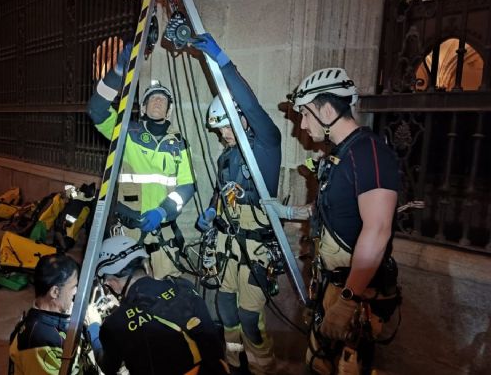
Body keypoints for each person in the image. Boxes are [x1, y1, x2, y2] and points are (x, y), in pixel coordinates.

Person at [191, 33, 309, 375]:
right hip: (228, 244)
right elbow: (219, 190)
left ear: (240, 118)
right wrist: (212, 211)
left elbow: (251, 103)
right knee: (225, 308)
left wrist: (223, 61)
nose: (222, 135)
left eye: (225, 126)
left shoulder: (266, 147)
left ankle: (261, 367)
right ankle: (233, 363)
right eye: (218, 130)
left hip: (255, 248)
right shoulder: (227, 158)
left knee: (248, 316)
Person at [289, 67, 401, 374]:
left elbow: (377, 230)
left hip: (353, 293)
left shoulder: (368, 153)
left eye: (306, 114)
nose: (302, 124)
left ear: (326, 110)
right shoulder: (340, 154)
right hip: (331, 286)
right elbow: (336, 212)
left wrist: (348, 301)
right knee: (318, 365)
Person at [87, 42, 195, 279]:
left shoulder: (178, 143)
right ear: (143, 108)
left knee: (167, 289)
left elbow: (187, 186)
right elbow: (96, 109)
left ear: (169, 111)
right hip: (128, 227)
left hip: (162, 229)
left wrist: (162, 211)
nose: (158, 101)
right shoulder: (127, 133)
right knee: (123, 287)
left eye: (163, 100)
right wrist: (118, 71)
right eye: (152, 99)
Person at [86, 235, 229, 375]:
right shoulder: (184, 286)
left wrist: (94, 328)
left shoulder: (114, 324)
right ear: (146, 266)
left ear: (111, 283)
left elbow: (108, 367)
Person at [9, 254, 80, 375]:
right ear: (55, 292)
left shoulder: (43, 318)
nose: (76, 292)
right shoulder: (38, 343)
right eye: (73, 287)